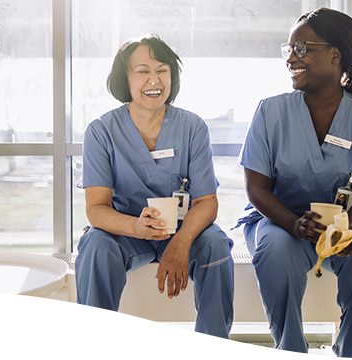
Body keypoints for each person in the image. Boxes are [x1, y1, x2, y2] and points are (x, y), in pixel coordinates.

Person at [235, 8, 352, 360]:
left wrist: (349, 229)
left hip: (343, 224)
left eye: (302, 48)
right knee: (276, 250)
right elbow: (257, 188)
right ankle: (290, 350)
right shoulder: (270, 112)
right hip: (278, 220)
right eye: (288, 50)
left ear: (335, 55)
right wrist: (293, 224)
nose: (291, 58)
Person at [76, 34, 234, 360]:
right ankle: (94, 354)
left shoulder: (193, 128)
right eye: (142, 70)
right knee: (94, 246)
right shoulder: (101, 131)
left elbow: (206, 201)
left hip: (182, 231)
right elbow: (96, 209)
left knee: (217, 245)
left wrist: (180, 243)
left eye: (162, 70)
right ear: (125, 78)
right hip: (127, 233)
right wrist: (137, 228)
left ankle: (215, 354)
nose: (154, 79)